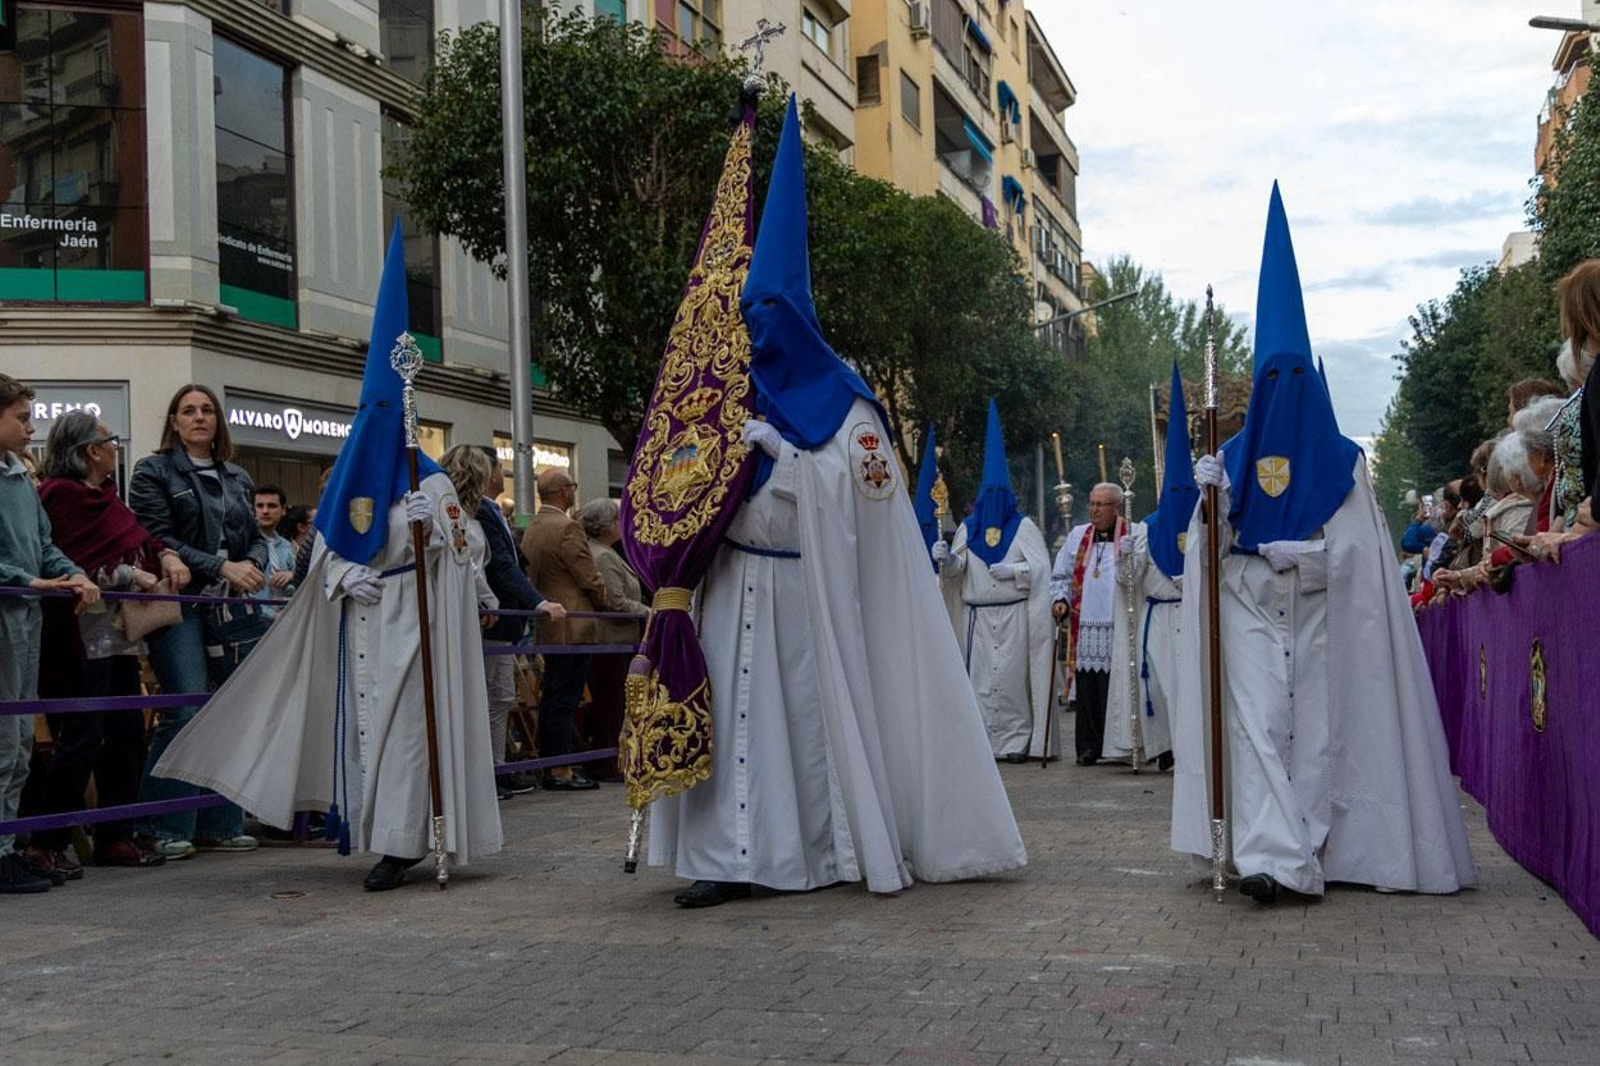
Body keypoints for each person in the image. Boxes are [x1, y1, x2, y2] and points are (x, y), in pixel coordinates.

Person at [648, 95, 1026, 908]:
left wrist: (787, 459)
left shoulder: (850, 406)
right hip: (730, 586)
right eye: (749, 315)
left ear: (798, 317)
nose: (757, 329)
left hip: (803, 592)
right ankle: (722, 858)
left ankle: (801, 853)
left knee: (792, 727)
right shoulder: (728, 391)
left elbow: (869, 504)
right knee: (734, 719)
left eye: (769, 313)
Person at [153, 224, 502, 891]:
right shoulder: (348, 481)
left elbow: (468, 553)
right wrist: (345, 575)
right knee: (368, 736)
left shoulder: (428, 480)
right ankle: (377, 834)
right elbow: (323, 555)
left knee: (408, 735)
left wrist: (438, 532)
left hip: (416, 623)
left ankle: (404, 843)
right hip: (364, 623)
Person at [1173, 185, 1476, 903]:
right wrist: (1209, 507)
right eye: (1271, 379)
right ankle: (1273, 858)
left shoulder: (1345, 465)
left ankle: (1318, 850)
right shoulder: (1230, 459)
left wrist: (1307, 559)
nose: (1284, 390)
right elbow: (1207, 560)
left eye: (1295, 377)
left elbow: (1362, 560)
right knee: (1257, 729)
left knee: (1318, 738)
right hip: (1250, 615)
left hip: (1322, 620)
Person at [31, 412, 189, 876]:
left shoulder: (108, 496)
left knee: (126, 734)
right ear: (90, 451)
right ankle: (48, 841)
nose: (116, 447)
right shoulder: (60, 495)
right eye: (110, 440)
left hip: (118, 634)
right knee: (81, 736)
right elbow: (67, 561)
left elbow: (138, 538)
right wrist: (130, 573)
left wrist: (164, 553)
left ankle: (115, 834)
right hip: (78, 634)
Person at [129, 383, 267, 860]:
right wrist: (221, 566)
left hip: (231, 606)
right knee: (185, 708)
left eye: (207, 410)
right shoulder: (153, 471)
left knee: (230, 710)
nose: (199, 417)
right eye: (188, 411)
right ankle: (160, 826)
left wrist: (252, 563)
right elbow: (155, 536)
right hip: (179, 603)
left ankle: (221, 824)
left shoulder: (237, 476)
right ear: (174, 421)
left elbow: (256, 536)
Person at [0, 373, 100, 894]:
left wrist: (74, 573)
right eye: (21, 418)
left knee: (19, 740)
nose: (30, 427)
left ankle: (7, 846)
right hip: (7, 613)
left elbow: (44, 544)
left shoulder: (20, 478)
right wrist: (26, 580)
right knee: (4, 738)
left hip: (26, 617)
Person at [936, 399, 1055, 764]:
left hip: (1014, 614)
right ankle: (985, 743)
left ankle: (1017, 741)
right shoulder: (969, 528)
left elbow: (1042, 573)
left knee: (1013, 681)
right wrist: (947, 560)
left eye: (998, 495)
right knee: (982, 682)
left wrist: (1016, 572)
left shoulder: (1024, 527)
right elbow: (957, 571)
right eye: (988, 495)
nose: (993, 502)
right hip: (978, 618)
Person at [1104, 363, 1193, 773]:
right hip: (1157, 617)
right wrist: (1126, 555)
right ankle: (1166, 747)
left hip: (1193, 615)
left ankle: (1195, 747)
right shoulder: (1146, 529)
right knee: (1160, 684)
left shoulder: (1207, 524)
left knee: (1192, 685)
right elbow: (1128, 581)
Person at [470, 447, 557, 800]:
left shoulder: (491, 510)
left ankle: (498, 768)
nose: (502, 473)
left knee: (501, 697)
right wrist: (537, 601)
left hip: (504, 620)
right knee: (487, 697)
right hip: (491, 619)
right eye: (497, 467)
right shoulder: (478, 512)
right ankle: (487, 773)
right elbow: (500, 566)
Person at [519, 467, 606, 791]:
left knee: (553, 696)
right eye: (572, 486)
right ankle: (560, 769)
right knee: (565, 698)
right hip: (573, 623)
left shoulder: (533, 527)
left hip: (548, 622)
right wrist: (604, 600)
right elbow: (588, 576)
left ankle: (552, 765)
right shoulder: (567, 527)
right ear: (563, 491)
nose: (574, 491)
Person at [1050, 482, 1128, 766]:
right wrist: (1060, 599)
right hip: (1085, 626)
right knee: (1088, 689)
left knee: (1114, 688)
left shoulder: (1130, 534)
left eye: (1100, 505)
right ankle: (1088, 747)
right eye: (1092, 504)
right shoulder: (1077, 536)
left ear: (1116, 508)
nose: (1094, 510)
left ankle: (1116, 747)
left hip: (1118, 624)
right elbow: (1061, 573)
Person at [574, 498, 646, 781]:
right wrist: (652, 611)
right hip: (611, 639)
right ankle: (606, 762)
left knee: (615, 702)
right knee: (611, 703)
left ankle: (612, 759)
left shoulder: (606, 552)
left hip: (618, 639)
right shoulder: (603, 556)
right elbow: (615, 601)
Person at [252, 484, 297, 616]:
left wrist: (292, 575)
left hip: (287, 616)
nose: (265, 511)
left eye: (272, 506)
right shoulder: (244, 544)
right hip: (256, 620)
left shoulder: (287, 546)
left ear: (283, 510)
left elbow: (302, 579)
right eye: (260, 506)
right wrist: (271, 615)